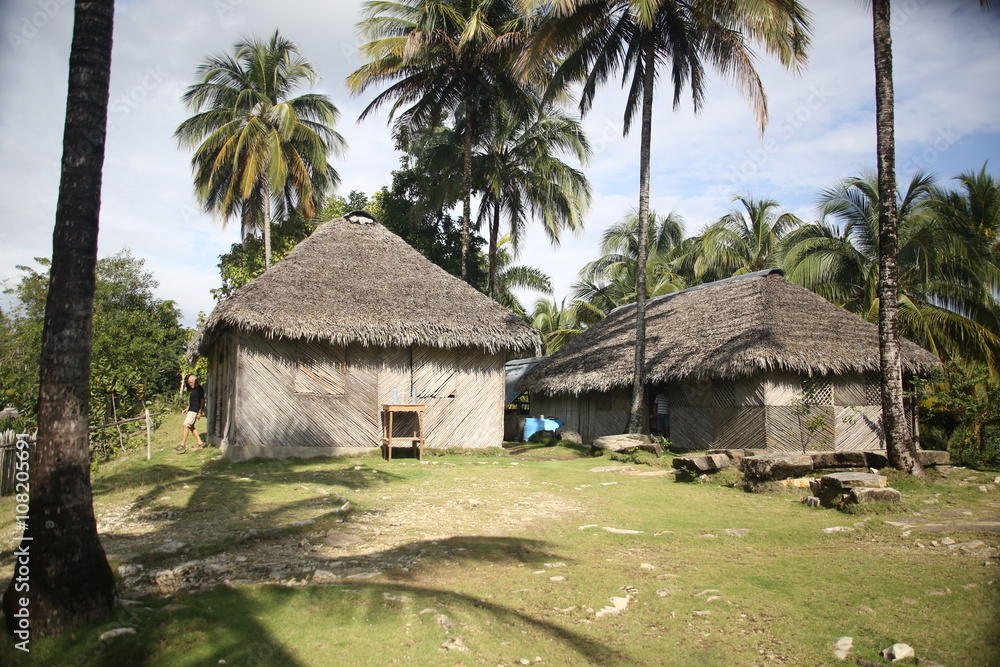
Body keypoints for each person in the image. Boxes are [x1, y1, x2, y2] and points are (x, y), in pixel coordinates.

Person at [175, 374, 206, 451]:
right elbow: (193, 401)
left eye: (191, 382)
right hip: (191, 410)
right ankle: (200, 443)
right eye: (189, 382)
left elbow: (202, 401)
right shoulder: (194, 389)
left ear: (195, 381)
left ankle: (182, 444)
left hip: (194, 411)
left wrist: (200, 412)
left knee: (185, 425)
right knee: (191, 427)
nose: (190, 384)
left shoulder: (199, 389)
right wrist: (186, 409)